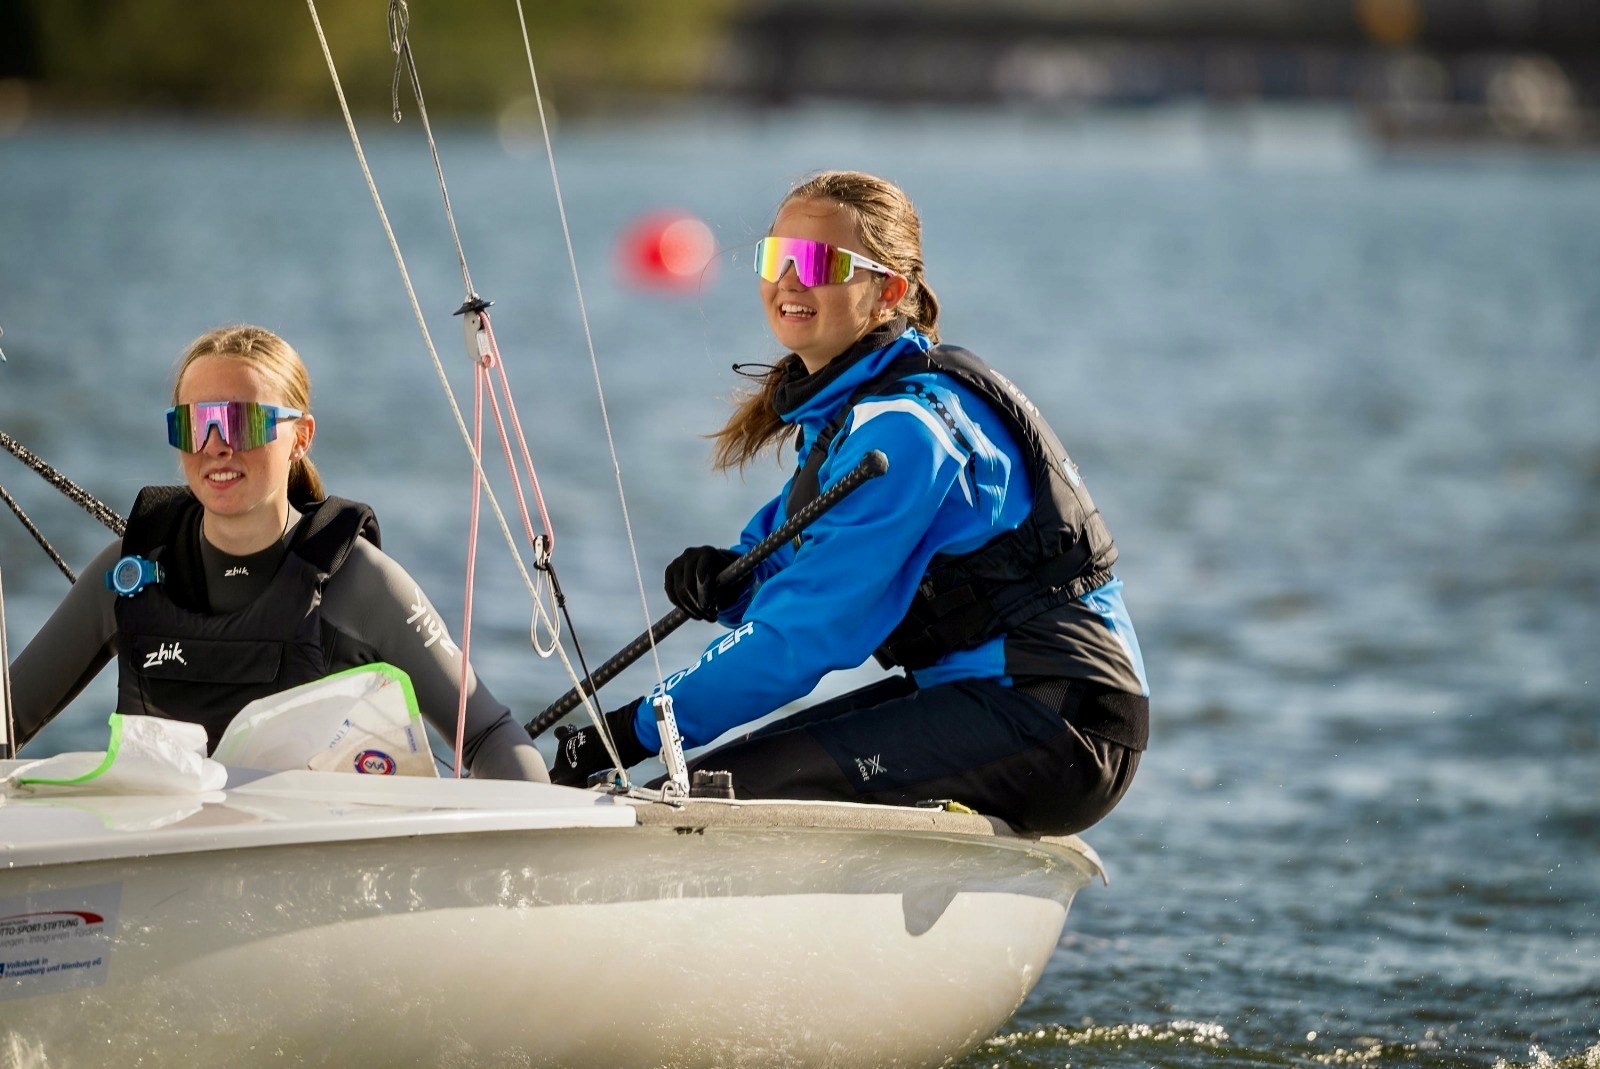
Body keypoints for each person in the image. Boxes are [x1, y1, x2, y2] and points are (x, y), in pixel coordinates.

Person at [549, 171, 1145, 833]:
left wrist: (627, 732)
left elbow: (801, 637)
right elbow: (798, 552)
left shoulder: (908, 433)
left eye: (817, 264)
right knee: (685, 787)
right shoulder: (856, 410)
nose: (789, 282)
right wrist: (732, 576)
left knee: (704, 800)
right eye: (777, 258)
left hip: (1059, 723)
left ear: (887, 289)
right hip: (981, 697)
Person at [8, 324, 548, 782]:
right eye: (195, 424)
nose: (216, 444)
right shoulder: (126, 574)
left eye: (241, 421)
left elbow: (490, 734)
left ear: (301, 436)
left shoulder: (360, 582)